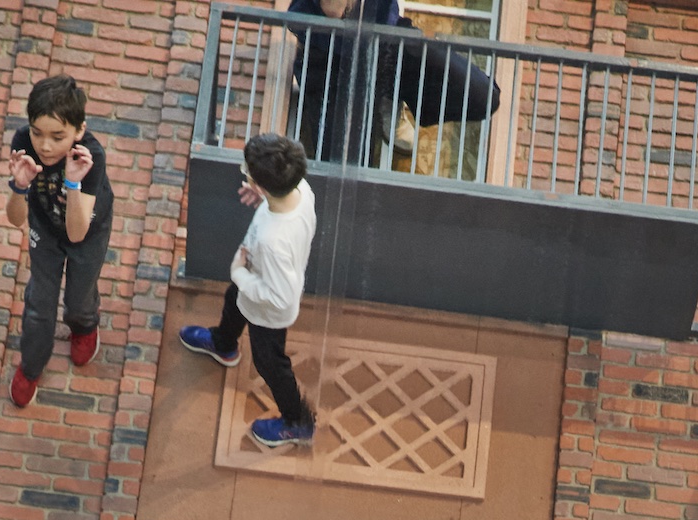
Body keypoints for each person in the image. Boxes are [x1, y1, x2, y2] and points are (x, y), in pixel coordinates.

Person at [179, 134, 315, 451]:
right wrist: (264, 197)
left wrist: (240, 274)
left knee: (269, 363)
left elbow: (280, 296)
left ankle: (298, 422)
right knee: (233, 302)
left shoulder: (272, 241)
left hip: (268, 311)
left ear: (264, 185)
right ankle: (223, 344)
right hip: (255, 279)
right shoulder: (302, 191)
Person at [5, 74, 113, 408]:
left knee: (79, 298)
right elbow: (15, 219)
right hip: (45, 228)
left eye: (58, 136)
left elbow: (78, 232)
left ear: (79, 131)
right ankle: (31, 366)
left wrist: (73, 183)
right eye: (38, 133)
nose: (46, 146)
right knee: (40, 304)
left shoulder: (88, 156)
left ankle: (84, 326)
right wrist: (19, 186)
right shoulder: (23, 142)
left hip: (87, 230)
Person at [283, 0, 499, 167]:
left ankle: (389, 98)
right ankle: (384, 98)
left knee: (483, 95)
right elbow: (335, 10)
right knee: (345, 176)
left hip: (389, 39)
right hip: (333, 59)